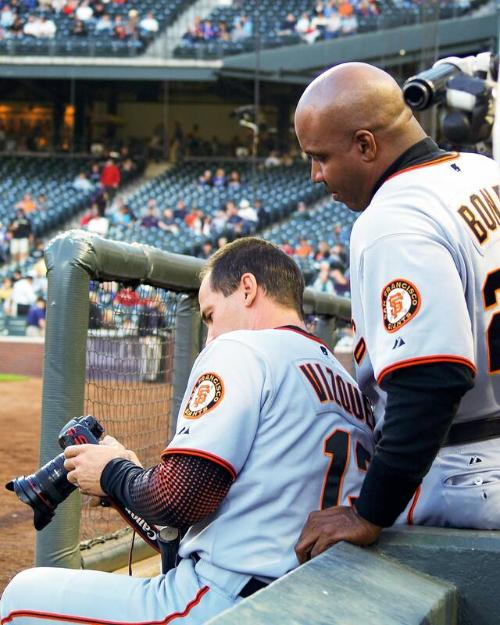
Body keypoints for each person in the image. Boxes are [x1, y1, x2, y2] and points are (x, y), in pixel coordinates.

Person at [1, 237, 375, 625]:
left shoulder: (242, 349)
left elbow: (179, 501)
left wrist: (111, 473)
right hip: (315, 596)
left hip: (237, 601)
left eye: (210, 314)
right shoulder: (345, 380)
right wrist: (128, 478)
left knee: (21, 596)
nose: (210, 335)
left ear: (247, 289)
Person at [293, 61, 500, 561]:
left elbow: (431, 376)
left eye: (320, 157)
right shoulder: (484, 171)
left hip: (459, 475)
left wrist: (371, 509)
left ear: (366, 145)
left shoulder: (394, 217)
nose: (315, 174)